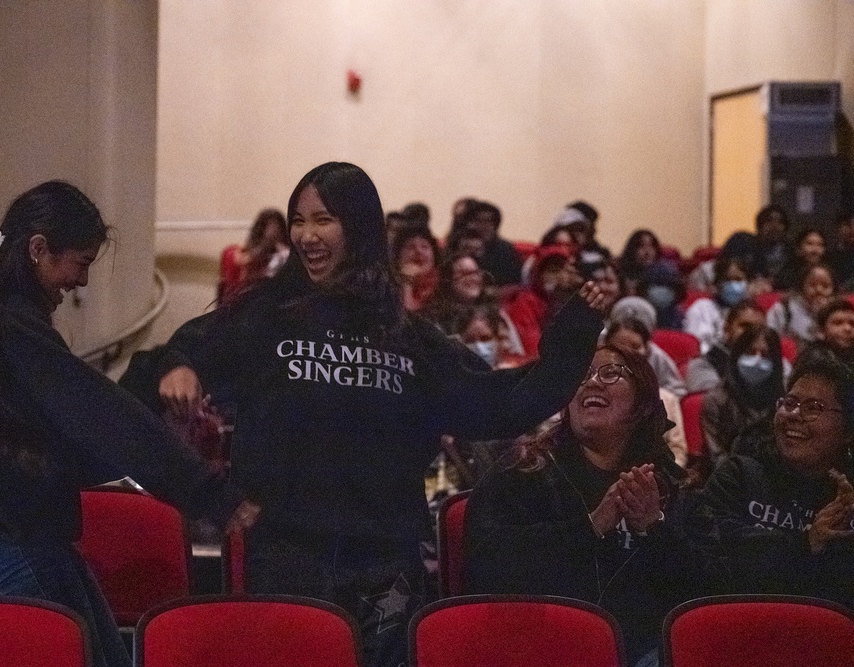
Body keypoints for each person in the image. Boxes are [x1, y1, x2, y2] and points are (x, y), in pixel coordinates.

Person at [153, 162, 607, 667]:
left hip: (385, 565)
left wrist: (573, 344)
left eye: (323, 219)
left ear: (360, 227)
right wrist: (178, 366)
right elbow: (175, 356)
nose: (307, 236)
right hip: (288, 558)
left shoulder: (405, 334)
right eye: (298, 221)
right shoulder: (266, 315)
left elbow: (498, 404)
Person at [0, 181, 257, 667]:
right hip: (13, 537)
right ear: (39, 250)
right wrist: (206, 490)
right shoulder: (7, 322)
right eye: (81, 262)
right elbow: (97, 413)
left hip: (25, 531)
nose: (82, 281)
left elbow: (63, 434)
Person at [465, 345, 721, 667]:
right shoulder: (523, 473)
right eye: (581, 376)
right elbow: (486, 566)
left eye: (610, 373)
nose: (592, 383)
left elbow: (704, 593)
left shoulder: (674, 487)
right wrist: (591, 527)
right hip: (542, 648)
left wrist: (653, 527)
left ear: (642, 404)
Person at [693, 352, 854, 608]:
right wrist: (807, 542)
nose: (794, 414)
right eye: (789, 402)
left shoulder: (846, 497)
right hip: (732, 622)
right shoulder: (740, 473)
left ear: (847, 429)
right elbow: (709, 549)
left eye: (813, 408)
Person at [603, 318, 688, 468]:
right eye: (618, 346)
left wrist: (661, 478)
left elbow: (678, 450)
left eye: (635, 346)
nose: (627, 353)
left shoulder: (668, 399)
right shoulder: (592, 392)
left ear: (647, 350)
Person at [700, 323, 786, 465]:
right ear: (736, 356)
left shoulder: (783, 401)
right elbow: (717, 455)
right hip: (728, 477)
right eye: (750, 353)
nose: (757, 361)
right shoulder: (716, 400)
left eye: (765, 355)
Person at [684, 299, 767, 393]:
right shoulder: (703, 365)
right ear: (726, 328)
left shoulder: (773, 363)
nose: (751, 333)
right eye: (745, 326)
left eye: (759, 328)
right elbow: (713, 401)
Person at [218, 208, 289, 303]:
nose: (273, 232)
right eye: (269, 226)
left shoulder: (282, 257)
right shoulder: (231, 253)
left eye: (276, 228)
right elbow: (241, 262)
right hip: (237, 305)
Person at [767, 263, 836, 347]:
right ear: (802, 286)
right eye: (812, 285)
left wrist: (822, 315)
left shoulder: (839, 313)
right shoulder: (784, 308)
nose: (819, 290)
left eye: (825, 286)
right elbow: (769, 338)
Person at [391, 224, 440, 312]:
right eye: (410, 247)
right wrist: (407, 282)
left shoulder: (443, 286)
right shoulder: (387, 285)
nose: (418, 251)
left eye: (424, 246)